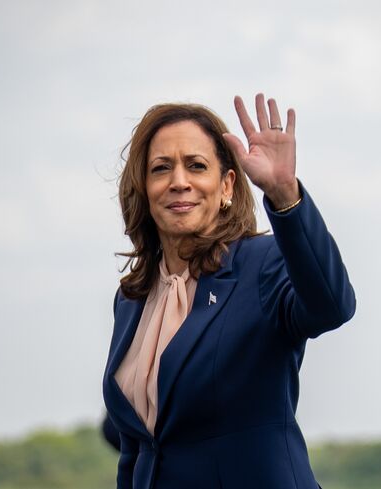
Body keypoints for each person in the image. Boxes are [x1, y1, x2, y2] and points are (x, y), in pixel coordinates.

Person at [102, 93, 356, 488]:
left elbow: (331, 306)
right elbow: (137, 449)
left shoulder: (263, 264)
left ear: (226, 186)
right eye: (161, 168)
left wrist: (285, 195)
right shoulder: (132, 300)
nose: (179, 182)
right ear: (144, 188)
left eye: (197, 166)